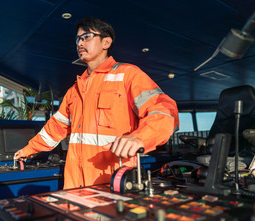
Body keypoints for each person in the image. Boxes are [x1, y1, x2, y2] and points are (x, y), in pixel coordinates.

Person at [14, 17, 179, 189]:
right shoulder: (74, 90)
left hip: (113, 183)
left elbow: (165, 109)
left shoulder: (129, 75)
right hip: (74, 185)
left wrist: (140, 138)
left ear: (106, 42)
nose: (80, 43)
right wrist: (27, 150)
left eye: (86, 37)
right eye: (78, 39)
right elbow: (55, 127)